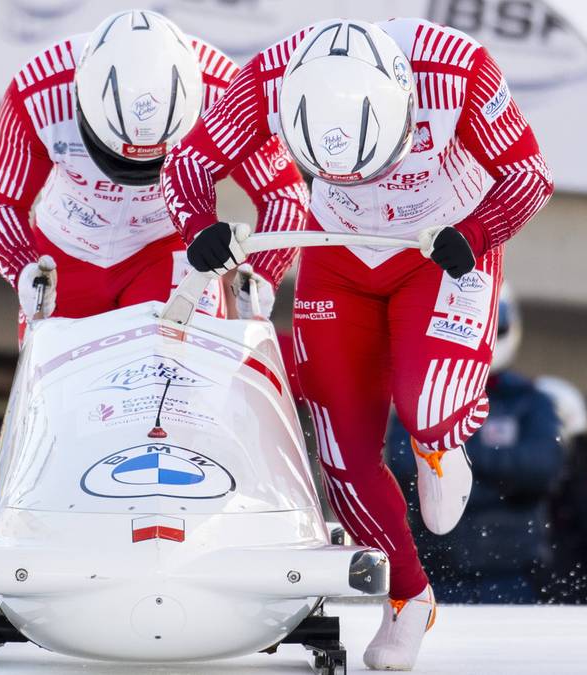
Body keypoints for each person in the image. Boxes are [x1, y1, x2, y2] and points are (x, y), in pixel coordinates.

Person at [161, 18, 552, 669]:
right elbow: (191, 162)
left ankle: (437, 443)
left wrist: (478, 231)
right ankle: (408, 596)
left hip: (440, 249)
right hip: (338, 256)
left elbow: (529, 174)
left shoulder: (458, 69)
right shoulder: (269, 79)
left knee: (426, 402)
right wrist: (199, 226)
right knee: (342, 449)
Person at [0, 9, 307, 328]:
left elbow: (283, 192)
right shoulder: (38, 91)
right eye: (119, 157)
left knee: (179, 378)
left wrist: (264, 272)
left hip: (164, 249)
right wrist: (22, 267)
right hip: (65, 255)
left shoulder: (225, 93)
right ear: (81, 98)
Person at [386, 283, 564, 603]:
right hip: (439, 574)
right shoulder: (424, 395)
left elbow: (542, 468)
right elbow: (402, 464)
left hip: (511, 576)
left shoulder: (530, 401)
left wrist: (454, 458)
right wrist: (500, 476)